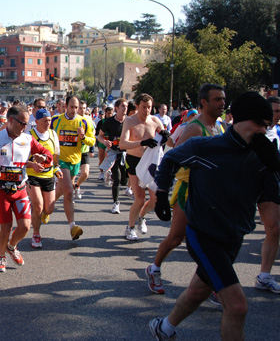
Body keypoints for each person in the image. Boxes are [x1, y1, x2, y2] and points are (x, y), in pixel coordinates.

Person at [149, 91, 280, 341]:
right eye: (259, 124)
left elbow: (271, 197)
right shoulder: (206, 146)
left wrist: (274, 169)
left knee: (199, 290)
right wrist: (163, 196)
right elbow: (169, 160)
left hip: (234, 236)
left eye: (268, 126)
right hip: (203, 234)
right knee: (238, 306)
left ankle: (163, 328)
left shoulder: (263, 154)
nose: (264, 131)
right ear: (240, 119)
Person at [146, 84, 226, 294]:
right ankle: (154, 269)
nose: (222, 103)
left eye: (223, 99)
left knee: (210, 238)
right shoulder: (195, 128)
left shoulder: (219, 126)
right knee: (176, 237)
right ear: (203, 103)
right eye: (217, 99)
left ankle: (209, 285)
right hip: (188, 189)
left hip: (209, 192)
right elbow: (173, 157)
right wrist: (162, 191)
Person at [0, 105, 53, 272]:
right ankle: (1, 256)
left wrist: (43, 158)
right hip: (0, 190)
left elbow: (48, 156)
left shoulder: (27, 139)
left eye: (27, 124)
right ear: (10, 120)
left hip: (20, 189)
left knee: (25, 226)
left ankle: (11, 246)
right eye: (22, 123)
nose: (25, 127)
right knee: (6, 227)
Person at [119, 93, 167, 241]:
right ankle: (130, 228)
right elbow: (122, 144)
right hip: (134, 160)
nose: (146, 110)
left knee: (155, 199)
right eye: (144, 107)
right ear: (138, 106)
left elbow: (169, 141)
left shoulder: (155, 121)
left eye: (149, 107)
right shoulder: (130, 121)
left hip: (150, 162)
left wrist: (166, 135)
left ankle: (142, 217)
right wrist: (142, 143)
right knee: (139, 198)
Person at [50, 95, 95, 240]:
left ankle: (46, 209)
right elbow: (47, 135)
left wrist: (83, 137)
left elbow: (91, 141)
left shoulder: (84, 121)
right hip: (60, 161)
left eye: (76, 107)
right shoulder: (56, 120)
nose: (74, 110)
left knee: (61, 191)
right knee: (69, 192)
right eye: (71, 107)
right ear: (65, 106)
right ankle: (72, 227)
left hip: (75, 161)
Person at [254, 95, 280, 293]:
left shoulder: (277, 131)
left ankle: (264, 275)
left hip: (272, 184)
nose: (277, 115)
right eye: (275, 111)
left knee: (274, 229)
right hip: (252, 184)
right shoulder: (253, 132)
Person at [26, 108, 62, 248]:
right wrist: (34, 162)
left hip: (48, 175)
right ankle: (36, 234)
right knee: (38, 206)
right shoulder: (30, 136)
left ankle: (40, 213)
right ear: (36, 121)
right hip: (33, 175)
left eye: (49, 120)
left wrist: (56, 168)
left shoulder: (53, 134)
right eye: (44, 121)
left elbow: (56, 154)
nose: (48, 123)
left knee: (49, 209)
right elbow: (22, 156)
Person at [97, 99, 129, 214]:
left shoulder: (129, 121)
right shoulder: (109, 122)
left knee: (124, 181)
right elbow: (99, 136)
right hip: (113, 152)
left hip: (126, 153)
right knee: (117, 178)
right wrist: (105, 142)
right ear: (116, 108)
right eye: (123, 106)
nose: (125, 108)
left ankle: (110, 175)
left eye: (126, 106)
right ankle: (116, 203)